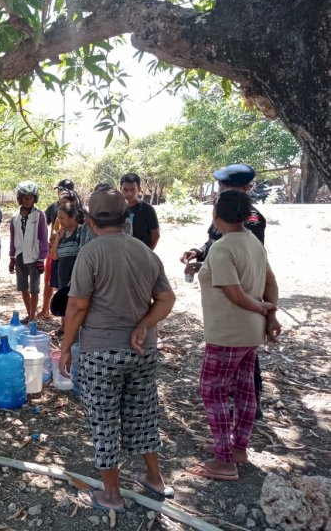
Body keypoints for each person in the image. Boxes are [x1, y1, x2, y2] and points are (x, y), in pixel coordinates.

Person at [59, 188, 176, 513]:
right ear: (127, 220)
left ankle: (111, 494)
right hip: (143, 351)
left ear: (91, 221)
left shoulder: (91, 253)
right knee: (142, 413)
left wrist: (66, 346)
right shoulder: (145, 252)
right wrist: (144, 325)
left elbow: (78, 306)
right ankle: (155, 479)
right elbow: (166, 299)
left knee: (104, 421)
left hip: (100, 353)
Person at [185, 190, 280, 481]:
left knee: (212, 391)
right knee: (244, 391)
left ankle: (224, 461)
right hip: (250, 333)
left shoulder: (223, 247)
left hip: (227, 332)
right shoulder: (252, 242)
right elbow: (270, 281)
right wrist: (270, 314)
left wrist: (263, 308)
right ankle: (237, 448)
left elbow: (236, 294)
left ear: (216, 216)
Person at [180, 163, 267, 417]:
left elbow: (237, 251)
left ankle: (250, 402)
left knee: (243, 355)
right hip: (222, 293)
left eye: (228, 186)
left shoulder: (249, 218)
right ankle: (237, 403)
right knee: (234, 352)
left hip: (241, 292)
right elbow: (214, 242)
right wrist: (199, 253)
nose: (222, 190)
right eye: (221, 185)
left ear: (246, 188)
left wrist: (264, 308)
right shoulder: (222, 211)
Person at [9, 181, 49, 323]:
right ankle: (29, 312)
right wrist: (12, 258)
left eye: (31, 197)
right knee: (23, 288)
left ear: (35, 198)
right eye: (25, 197)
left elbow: (43, 237)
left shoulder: (39, 215)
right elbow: (13, 238)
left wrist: (41, 259)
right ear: (19, 198)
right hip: (20, 256)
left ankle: (33, 317)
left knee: (34, 289)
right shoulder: (15, 216)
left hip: (34, 257)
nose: (28, 200)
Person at [39, 179, 75, 318]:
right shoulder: (54, 207)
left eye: (61, 190)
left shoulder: (78, 211)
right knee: (50, 279)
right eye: (58, 191)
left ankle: (67, 323)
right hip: (54, 249)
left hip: (70, 255)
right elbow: (46, 225)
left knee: (67, 286)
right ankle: (45, 309)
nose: (59, 193)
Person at [49, 201, 85, 337]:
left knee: (75, 305)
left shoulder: (81, 232)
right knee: (64, 302)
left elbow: (82, 254)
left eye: (62, 217)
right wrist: (58, 238)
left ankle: (74, 332)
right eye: (58, 217)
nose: (60, 220)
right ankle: (64, 327)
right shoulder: (63, 234)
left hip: (74, 276)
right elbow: (54, 256)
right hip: (62, 274)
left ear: (72, 217)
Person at [120, 173, 160, 250]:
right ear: (120, 189)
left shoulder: (148, 209)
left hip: (141, 252)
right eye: (125, 190)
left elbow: (155, 235)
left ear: (139, 189)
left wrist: (147, 253)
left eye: (132, 190)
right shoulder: (115, 208)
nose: (129, 193)